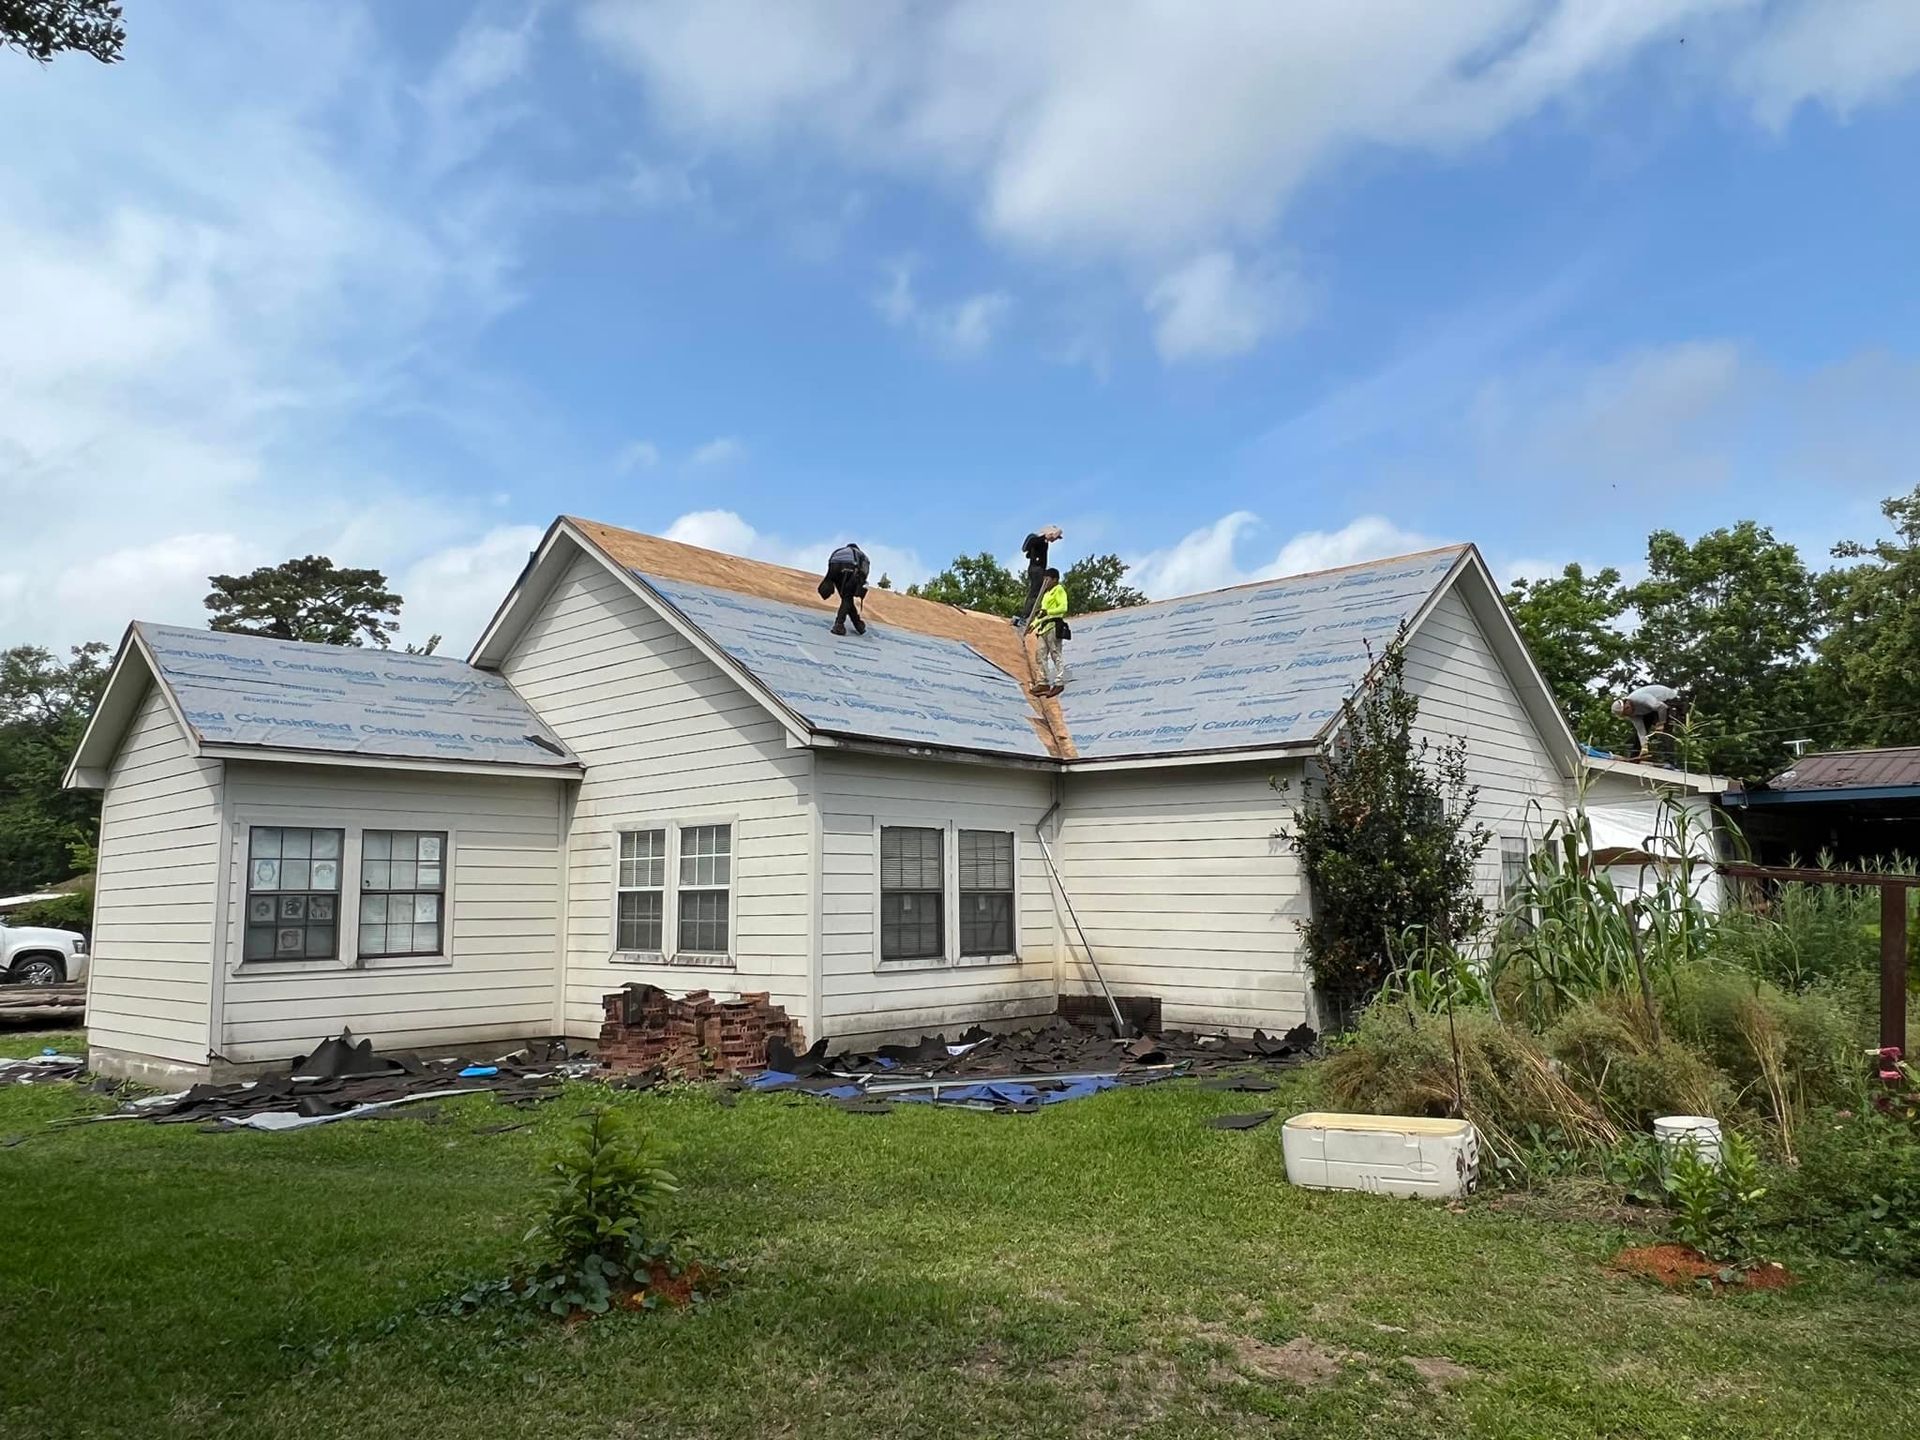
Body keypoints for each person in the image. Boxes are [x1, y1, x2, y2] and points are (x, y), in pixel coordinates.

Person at [1612, 683, 1684, 759]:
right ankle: (1636, 756)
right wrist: (1644, 746)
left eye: (1626, 712)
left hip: (1666, 700)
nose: (1628, 715)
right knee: (1639, 736)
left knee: (1665, 731)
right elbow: (1641, 731)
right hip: (1650, 709)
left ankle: (1670, 760)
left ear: (1627, 705)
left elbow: (1662, 707)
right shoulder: (1632, 714)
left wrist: (1661, 723)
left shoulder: (1641, 699)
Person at [1014, 525, 1064, 628]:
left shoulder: (1043, 542)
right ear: (1049, 534)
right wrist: (1044, 537)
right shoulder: (1038, 539)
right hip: (1036, 570)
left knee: (1039, 593)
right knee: (1035, 594)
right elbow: (1028, 545)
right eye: (1054, 537)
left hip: (1038, 569)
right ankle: (1024, 618)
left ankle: (1029, 616)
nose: (1054, 540)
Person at [1030, 567, 1070, 694]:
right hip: (1043, 627)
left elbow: (1063, 608)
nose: (1045, 582)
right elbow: (1042, 614)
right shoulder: (1046, 594)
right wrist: (1034, 623)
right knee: (1040, 655)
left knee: (1055, 653)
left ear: (1055, 579)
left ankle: (1059, 681)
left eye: (1047, 579)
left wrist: (1049, 612)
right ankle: (1043, 682)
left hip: (1053, 625)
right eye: (1044, 579)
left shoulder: (1059, 590)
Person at [817, 542, 870, 635]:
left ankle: (858, 624)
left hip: (833, 567)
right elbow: (864, 572)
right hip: (850, 567)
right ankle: (839, 625)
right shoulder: (861, 554)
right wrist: (861, 585)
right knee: (847, 598)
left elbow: (830, 565)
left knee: (847, 599)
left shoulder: (840, 551)